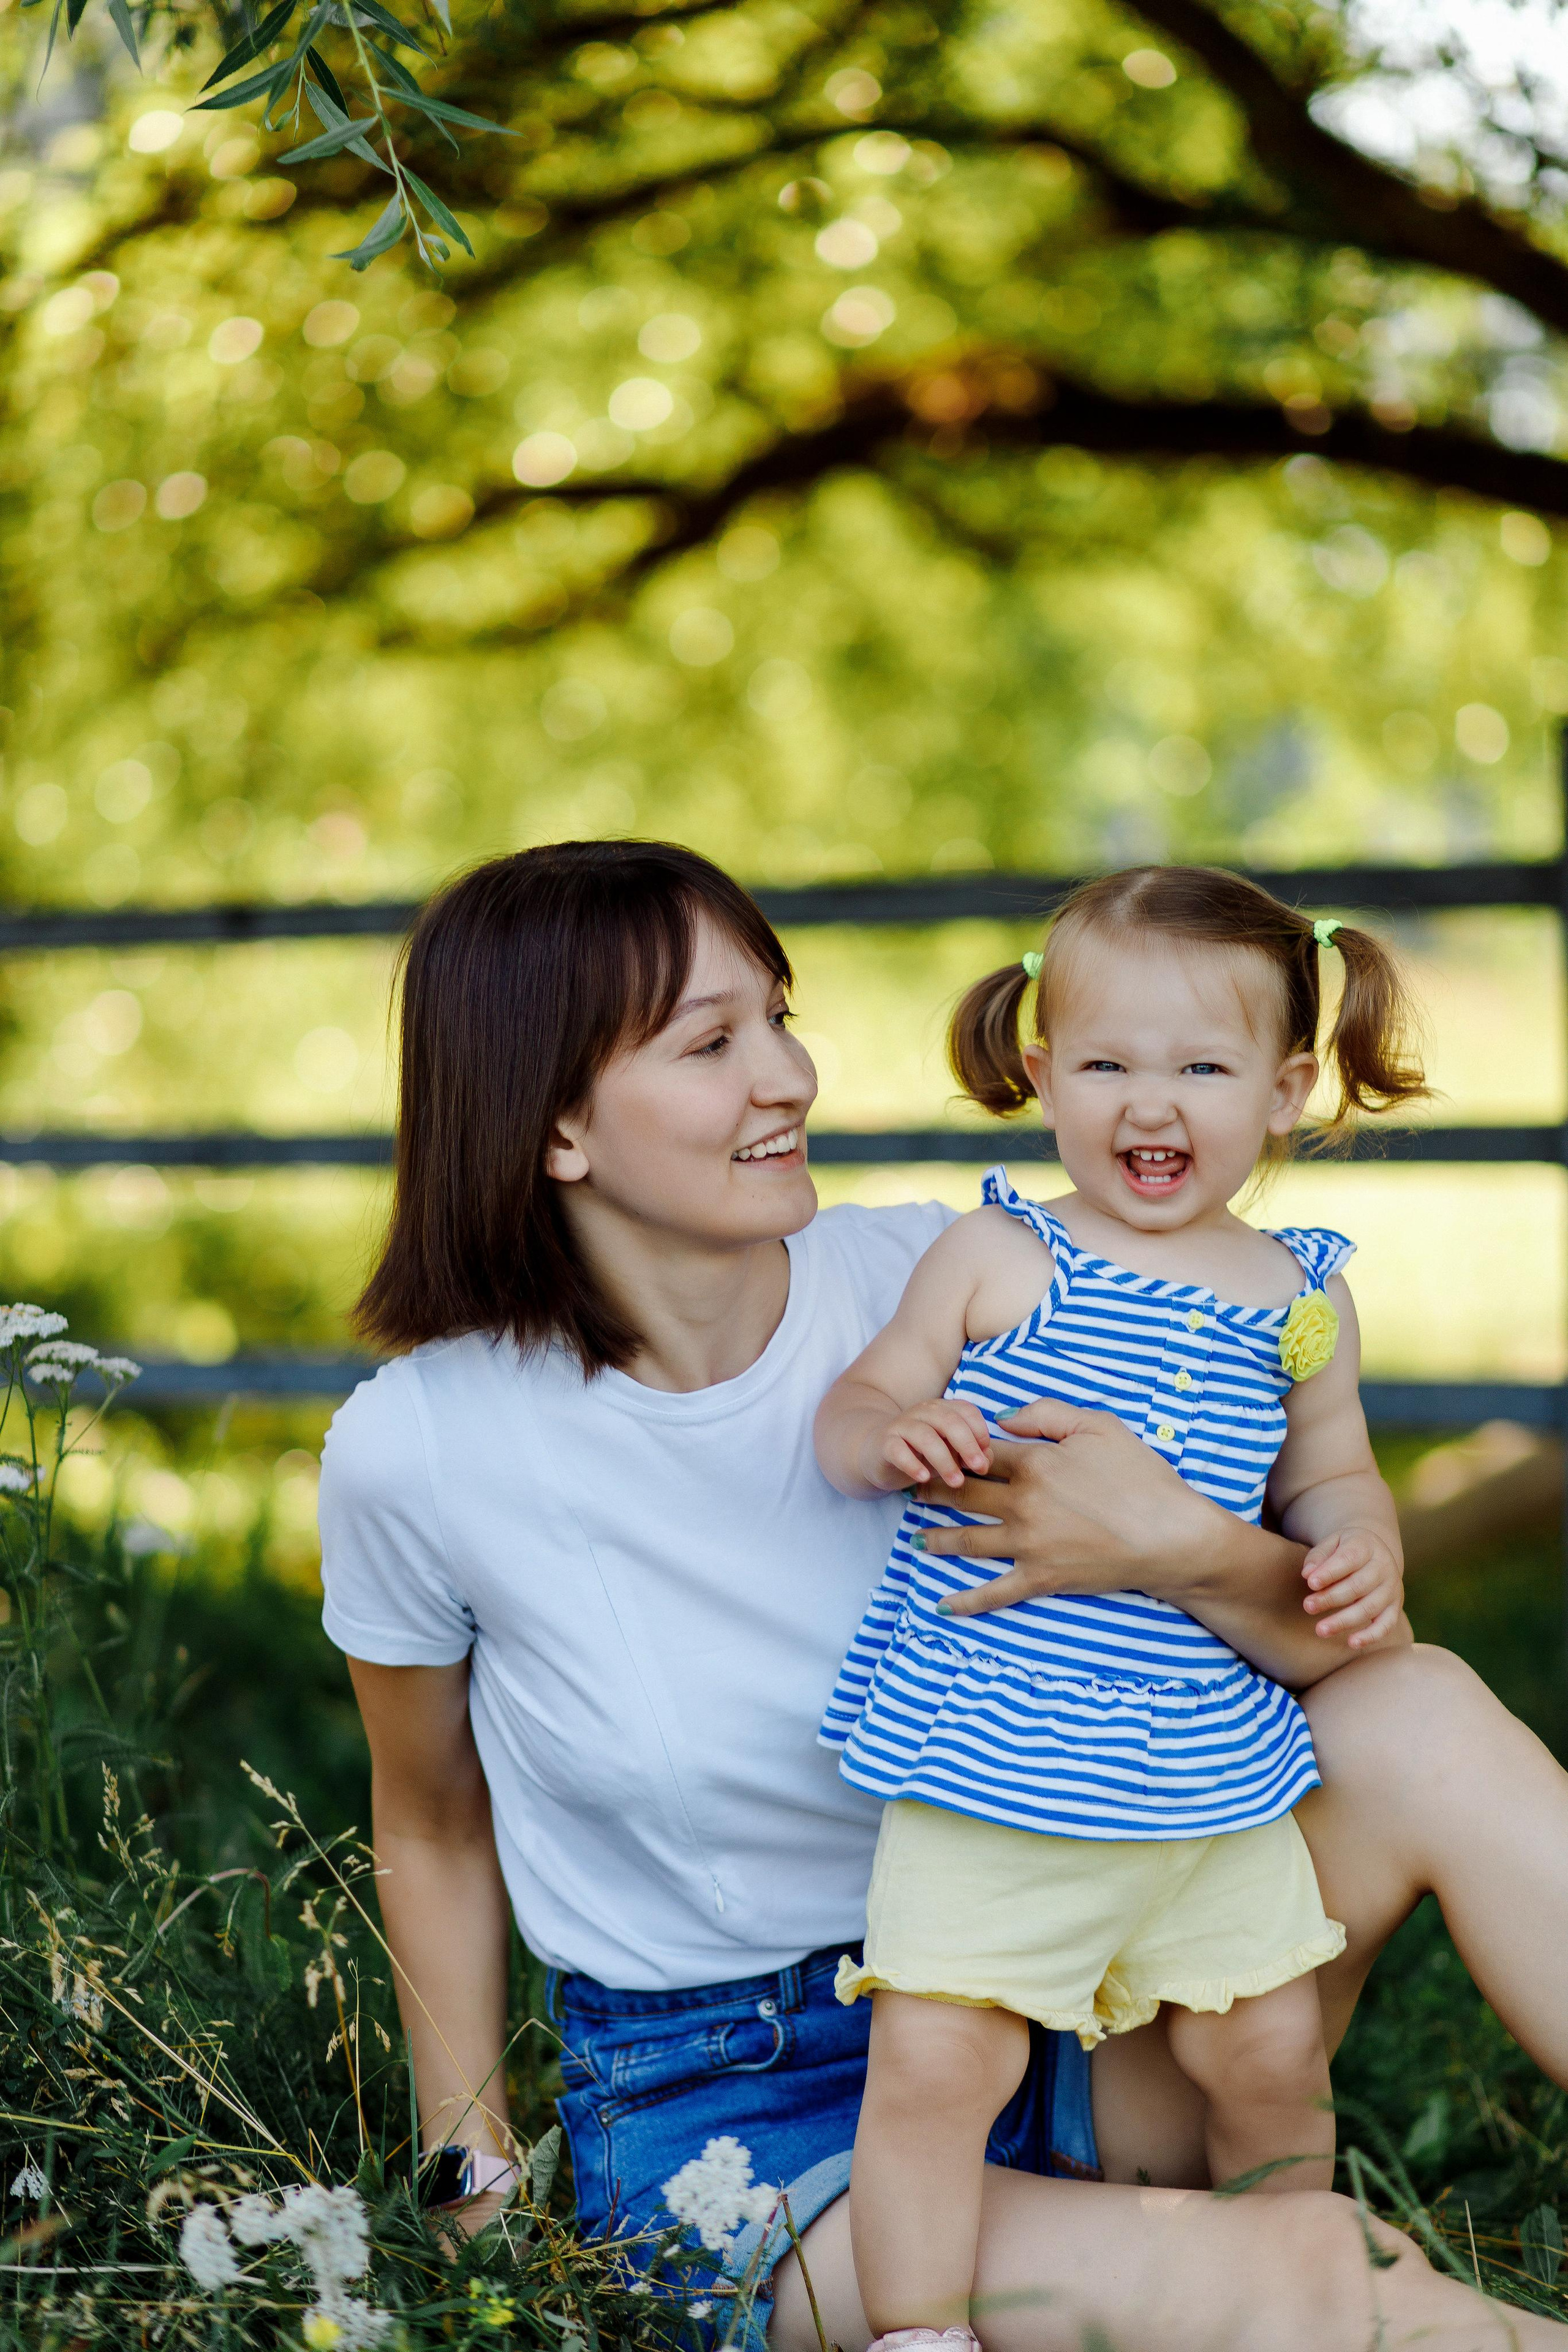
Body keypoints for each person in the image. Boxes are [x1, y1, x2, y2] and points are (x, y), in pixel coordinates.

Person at [316, 839, 1568, 2352]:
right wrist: (471, 2187)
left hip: (1072, 1983)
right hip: (749, 2119)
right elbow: (435, 1826)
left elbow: (1326, 1641)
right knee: (1316, 2273)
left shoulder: (967, 1273)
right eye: (713, 1045)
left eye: (778, 1015)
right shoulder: (426, 1444)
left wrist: (1176, 1544)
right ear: (557, 1124)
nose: (786, 1075)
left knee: (1416, 1708)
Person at [813, 868, 1422, 2348]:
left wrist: (1357, 1544)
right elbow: (860, 1403)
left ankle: (1287, 2285)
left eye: (1201, 1069)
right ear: (1040, 1072)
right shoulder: (1002, 1255)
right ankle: (916, 2329)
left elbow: (1329, 1477)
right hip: (995, 1763)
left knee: (1269, 2048)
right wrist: (891, 1436)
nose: (1150, 1108)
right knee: (939, 2066)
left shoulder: (1296, 1298)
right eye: (1106, 1066)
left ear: (1283, 1091)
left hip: (1204, 1769)